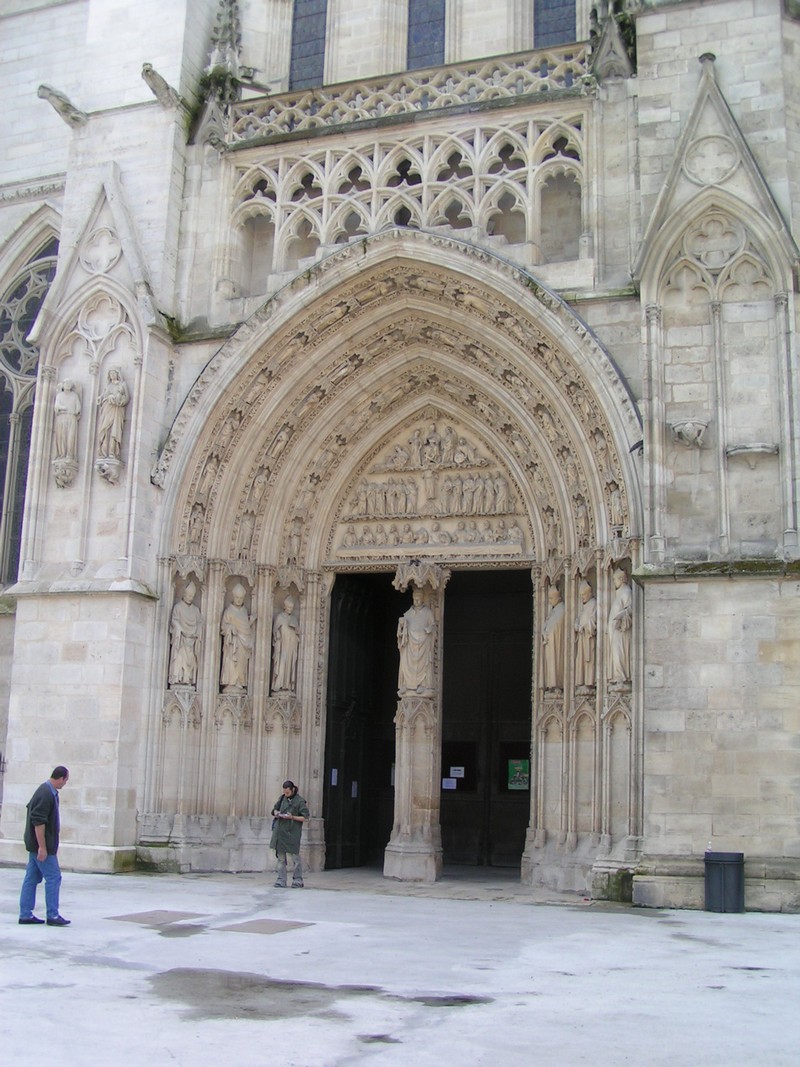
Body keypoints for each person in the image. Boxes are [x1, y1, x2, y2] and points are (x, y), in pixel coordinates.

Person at [18, 766, 71, 926]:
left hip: (37, 845)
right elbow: (38, 821)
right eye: (66, 780)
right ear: (60, 778)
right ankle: (53, 915)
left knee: (32, 878)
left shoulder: (47, 792)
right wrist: (42, 847)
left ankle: (25, 914)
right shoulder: (45, 793)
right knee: (54, 877)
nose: (65, 784)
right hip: (41, 846)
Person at [270, 780, 309, 888]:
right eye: (284, 792)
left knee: (295, 858)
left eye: (288, 792)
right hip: (281, 832)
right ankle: (281, 879)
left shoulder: (300, 801)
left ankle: (298, 879)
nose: (286, 794)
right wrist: (276, 813)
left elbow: (305, 817)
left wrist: (292, 817)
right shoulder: (282, 798)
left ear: (292, 790)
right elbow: (274, 810)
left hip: (292, 832)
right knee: (281, 858)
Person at [397, 586, 435, 696]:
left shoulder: (428, 612)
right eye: (415, 599)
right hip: (410, 646)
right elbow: (402, 632)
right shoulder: (408, 614)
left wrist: (429, 630)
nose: (417, 601)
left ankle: (421, 685)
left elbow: (433, 626)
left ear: (423, 599)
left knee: (423, 665)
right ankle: (407, 686)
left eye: (419, 599)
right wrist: (401, 625)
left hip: (423, 644)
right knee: (406, 662)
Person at [220, 583, 254, 691]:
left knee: (241, 663)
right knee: (231, 662)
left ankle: (239, 682)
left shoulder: (244, 611)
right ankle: (231, 682)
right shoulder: (229, 611)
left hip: (243, 643)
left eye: (241, 598)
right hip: (232, 643)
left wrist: (250, 621)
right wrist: (230, 627)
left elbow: (245, 627)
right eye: (237, 598)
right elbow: (223, 627)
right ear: (233, 597)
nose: (239, 600)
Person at [168, 581, 203, 687]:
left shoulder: (196, 610)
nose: (190, 598)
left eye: (192, 596)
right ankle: (178, 679)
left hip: (192, 641)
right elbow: (174, 620)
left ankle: (188, 679)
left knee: (191, 662)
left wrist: (197, 632)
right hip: (181, 640)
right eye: (188, 595)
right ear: (184, 594)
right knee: (179, 660)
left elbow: (199, 623)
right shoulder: (178, 607)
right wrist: (178, 628)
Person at [96, 366, 129, 459]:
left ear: (117, 374)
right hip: (107, 409)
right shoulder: (108, 385)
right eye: (110, 374)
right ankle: (103, 451)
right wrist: (101, 398)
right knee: (105, 429)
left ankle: (113, 451)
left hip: (116, 410)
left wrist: (118, 400)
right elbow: (103, 395)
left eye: (114, 373)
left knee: (114, 430)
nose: (112, 375)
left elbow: (126, 398)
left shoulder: (122, 385)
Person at [608, 567, 633, 682]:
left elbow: (630, 609)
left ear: (621, 579)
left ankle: (621, 677)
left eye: (614, 580)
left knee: (619, 654)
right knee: (616, 654)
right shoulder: (619, 594)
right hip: (615, 631)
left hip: (622, 631)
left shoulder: (627, 592)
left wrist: (621, 616)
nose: (614, 582)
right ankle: (617, 676)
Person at [272, 595, 300, 693]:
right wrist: (277, 634)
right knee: (281, 664)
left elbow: (298, 633)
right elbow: (275, 630)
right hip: (282, 646)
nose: (290, 610)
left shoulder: (294, 619)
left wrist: (295, 630)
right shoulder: (280, 617)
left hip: (291, 647)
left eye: (291, 608)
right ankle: (279, 686)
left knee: (289, 665)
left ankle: (287, 685)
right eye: (288, 608)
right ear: (284, 607)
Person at [574, 579, 597, 687]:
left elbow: (594, 620)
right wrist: (577, 625)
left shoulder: (594, 604)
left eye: (583, 594)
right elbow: (579, 619)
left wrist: (585, 626)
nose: (582, 597)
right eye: (581, 595)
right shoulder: (584, 606)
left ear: (589, 593)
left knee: (589, 660)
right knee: (581, 661)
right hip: (582, 638)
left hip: (588, 638)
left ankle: (589, 683)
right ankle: (581, 683)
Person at [541, 584, 565, 689]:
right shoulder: (554, 610)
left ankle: (556, 686)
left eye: (551, 598)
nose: (549, 601)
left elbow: (556, 628)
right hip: (549, 644)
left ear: (558, 597)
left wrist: (547, 634)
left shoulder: (562, 609)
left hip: (555, 645)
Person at [53, 379, 81, 461]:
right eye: (66, 383)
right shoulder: (59, 396)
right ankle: (62, 454)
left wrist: (76, 411)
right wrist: (63, 408)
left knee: (70, 437)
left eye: (69, 384)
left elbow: (78, 406)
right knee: (61, 436)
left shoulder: (74, 395)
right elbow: (56, 406)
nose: (68, 385)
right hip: (61, 418)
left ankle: (69, 454)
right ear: (63, 385)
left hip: (71, 417)